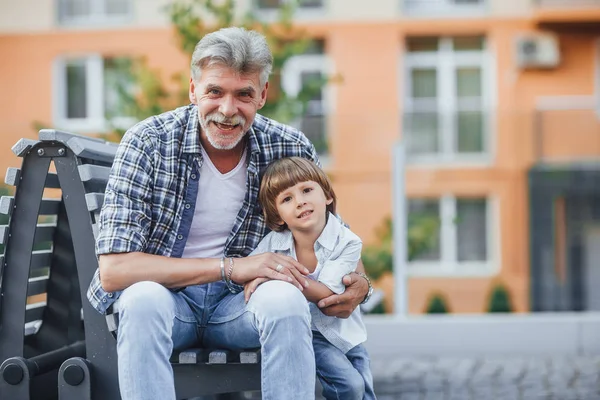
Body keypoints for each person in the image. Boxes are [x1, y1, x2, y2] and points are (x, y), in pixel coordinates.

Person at [86, 26, 372, 400]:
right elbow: (114, 272)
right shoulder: (148, 142)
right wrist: (231, 267)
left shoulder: (289, 145)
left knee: (285, 299)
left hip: (241, 306)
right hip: (168, 303)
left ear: (263, 95)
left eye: (244, 95)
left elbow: (334, 235)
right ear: (193, 89)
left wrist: (361, 287)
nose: (227, 109)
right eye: (214, 92)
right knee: (140, 300)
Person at [246, 156, 376, 400]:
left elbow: (328, 295)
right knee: (350, 386)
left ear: (327, 196)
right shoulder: (274, 243)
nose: (300, 201)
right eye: (287, 199)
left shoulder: (347, 241)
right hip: (308, 333)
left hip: (347, 333)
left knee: (365, 391)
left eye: (306, 190)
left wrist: (278, 274)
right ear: (278, 217)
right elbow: (252, 269)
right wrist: (257, 274)